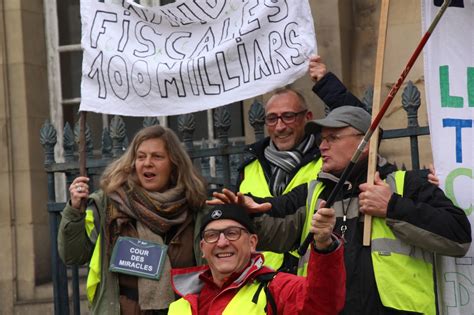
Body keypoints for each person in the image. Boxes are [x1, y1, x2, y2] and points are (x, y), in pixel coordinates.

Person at [211, 106, 472, 314]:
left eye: (333, 138)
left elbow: (458, 237)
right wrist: (247, 213)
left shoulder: (408, 184)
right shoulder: (313, 192)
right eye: (322, 139)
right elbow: (275, 224)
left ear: (366, 142)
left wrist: (392, 206)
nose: (322, 146)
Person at [58, 125, 208, 314]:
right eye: (141, 156)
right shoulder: (108, 204)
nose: (147, 163)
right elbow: (73, 255)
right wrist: (74, 211)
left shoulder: (196, 207)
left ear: (174, 164)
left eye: (157, 156)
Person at [237, 55, 364, 271]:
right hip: (257, 280)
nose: (280, 126)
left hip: (307, 275)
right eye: (272, 118)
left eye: (288, 116)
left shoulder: (328, 158)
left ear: (307, 117)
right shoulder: (249, 167)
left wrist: (326, 84)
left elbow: (363, 125)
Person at [168, 204, 345, 315]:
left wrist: (323, 245)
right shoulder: (182, 302)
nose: (222, 243)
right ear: (202, 249)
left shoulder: (276, 289)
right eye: (212, 235)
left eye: (232, 233)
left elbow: (322, 304)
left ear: (252, 242)